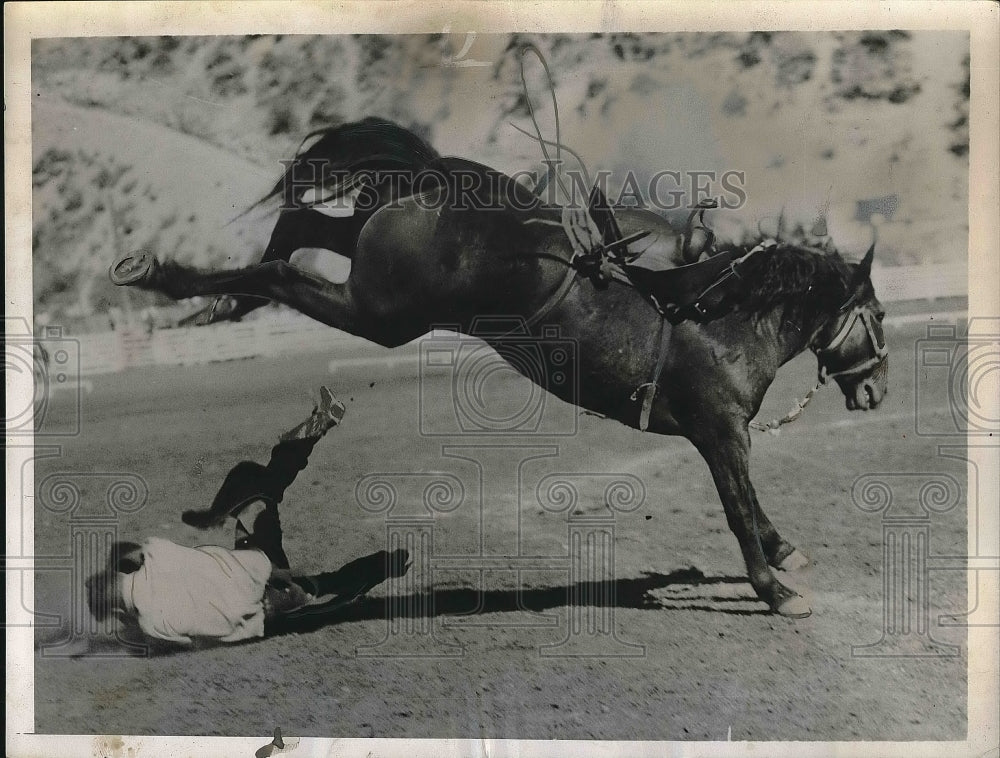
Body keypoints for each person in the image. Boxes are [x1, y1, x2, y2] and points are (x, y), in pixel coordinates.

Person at [86, 387, 410, 645]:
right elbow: (125, 551)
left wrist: (127, 625)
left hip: (259, 610)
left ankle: (383, 562)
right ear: (121, 575)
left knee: (256, 485)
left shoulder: (151, 624)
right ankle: (318, 426)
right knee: (254, 483)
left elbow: (182, 640)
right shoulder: (155, 555)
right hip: (259, 572)